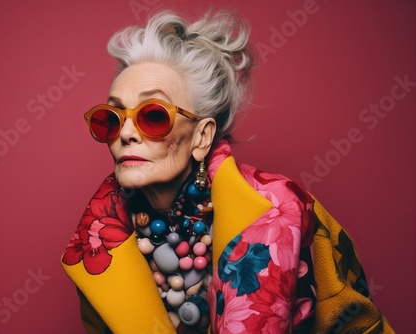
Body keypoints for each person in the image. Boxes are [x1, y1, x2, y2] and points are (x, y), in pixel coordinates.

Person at [61, 9, 393, 333]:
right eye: (112, 118)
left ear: (202, 136)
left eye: (153, 115)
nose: (125, 133)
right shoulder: (99, 239)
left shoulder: (277, 206)